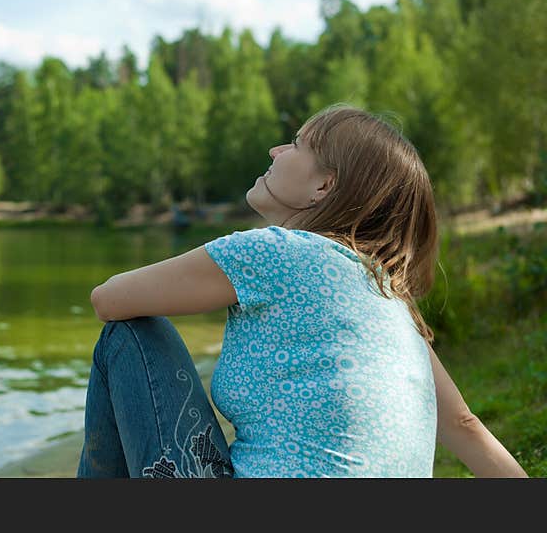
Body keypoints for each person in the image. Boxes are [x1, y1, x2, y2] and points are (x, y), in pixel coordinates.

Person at [77, 104, 528, 478]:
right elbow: (464, 425)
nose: (276, 150)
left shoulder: (273, 252)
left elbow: (108, 299)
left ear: (324, 186)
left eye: (296, 144)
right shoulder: (388, 297)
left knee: (130, 334)